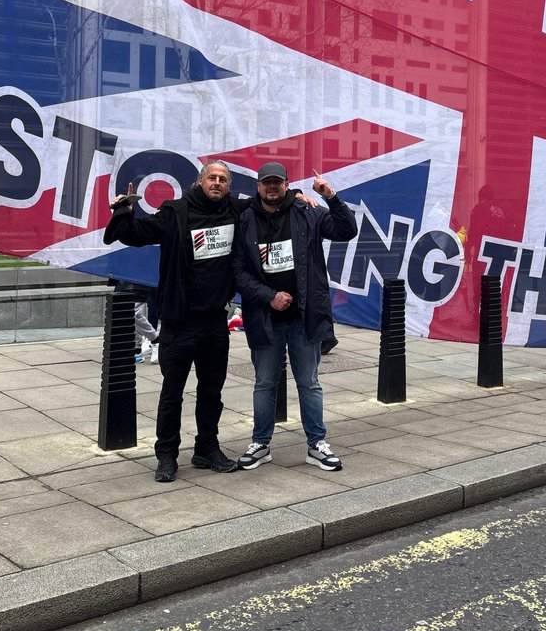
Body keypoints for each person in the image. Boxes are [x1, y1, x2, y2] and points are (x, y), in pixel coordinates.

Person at [103, 161, 243, 481]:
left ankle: (207, 448)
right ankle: (166, 454)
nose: (217, 183)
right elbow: (136, 234)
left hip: (214, 322)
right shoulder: (175, 212)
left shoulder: (236, 210)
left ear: (228, 185)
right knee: (172, 392)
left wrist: (299, 196)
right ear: (200, 181)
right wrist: (124, 210)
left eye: (223, 179)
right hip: (180, 321)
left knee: (211, 391)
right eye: (212, 177)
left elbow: (270, 206)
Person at [233, 161, 357, 471]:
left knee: (309, 383)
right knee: (264, 383)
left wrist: (331, 196)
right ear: (258, 186)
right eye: (266, 183)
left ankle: (316, 444)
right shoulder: (244, 218)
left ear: (287, 184)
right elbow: (236, 270)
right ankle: (260, 444)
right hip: (264, 315)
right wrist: (269, 297)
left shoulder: (308, 211)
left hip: (305, 315)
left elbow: (346, 230)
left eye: (277, 182)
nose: (272, 187)